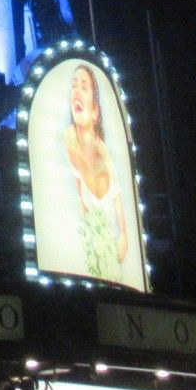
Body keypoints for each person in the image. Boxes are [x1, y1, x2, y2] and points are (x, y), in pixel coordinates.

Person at [61, 63, 131, 280]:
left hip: (113, 256)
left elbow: (118, 197)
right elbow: (79, 198)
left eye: (84, 86)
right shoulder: (68, 138)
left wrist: (124, 236)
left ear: (95, 112)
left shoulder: (105, 151)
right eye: (74, 86)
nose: (76, 91)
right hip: (92, 254)